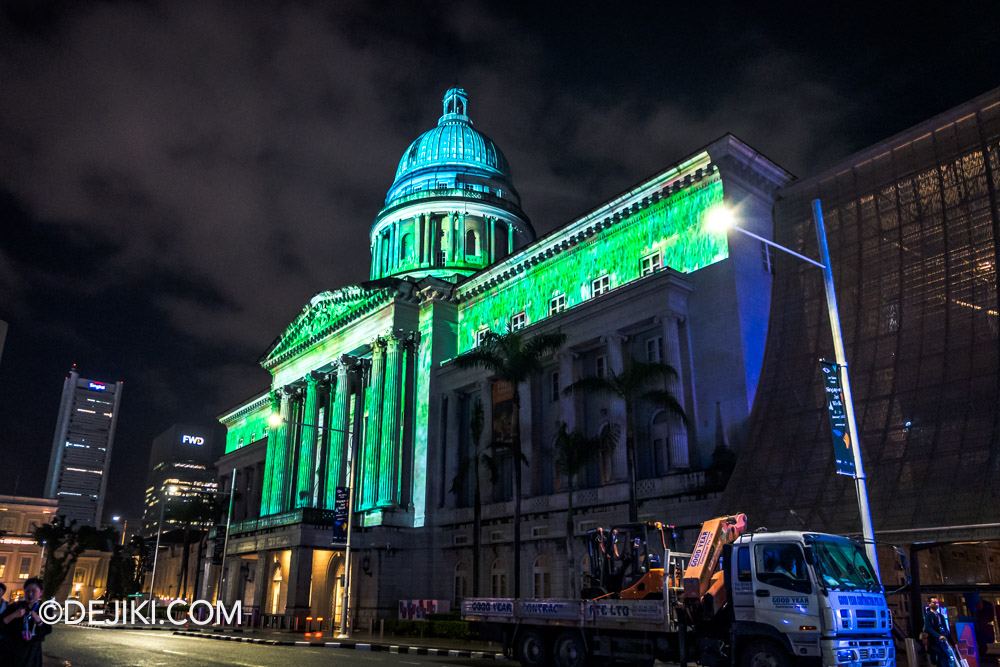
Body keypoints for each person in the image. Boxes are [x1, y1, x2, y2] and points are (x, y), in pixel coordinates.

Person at [0, 577, 52, 667]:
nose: (30, 594)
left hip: (31, 652)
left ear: (41, 592)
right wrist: (13, 616)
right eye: (27, 590)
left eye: (34, 591)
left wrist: (38, 620)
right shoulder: (15, 606)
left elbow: (47, 630)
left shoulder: (45, 609)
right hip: (11, 650)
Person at [924, 597, 955, 667]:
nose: (936, 604)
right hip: (934, 642)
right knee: (942, 655)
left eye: (937, 603)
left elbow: (946, 630)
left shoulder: (940, 616)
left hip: (942, 642)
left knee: (945, 656)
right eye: (934, 603)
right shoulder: (928, 615)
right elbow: (928, 628)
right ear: (929, 604)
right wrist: (938, 636)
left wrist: (953, 642)